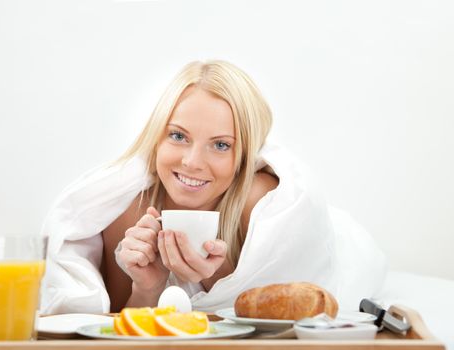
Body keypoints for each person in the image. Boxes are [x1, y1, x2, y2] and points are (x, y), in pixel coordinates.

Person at [40, 60, 386, 314]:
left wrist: (216, 277)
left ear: (243, 156)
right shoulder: (128, 213)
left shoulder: (261, 202)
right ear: (157, 138)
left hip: (342, 245)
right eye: (178, 136)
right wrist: (148, 286)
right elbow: (123, 324)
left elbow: (280, 307)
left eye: (220, 145)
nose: (192, 161)